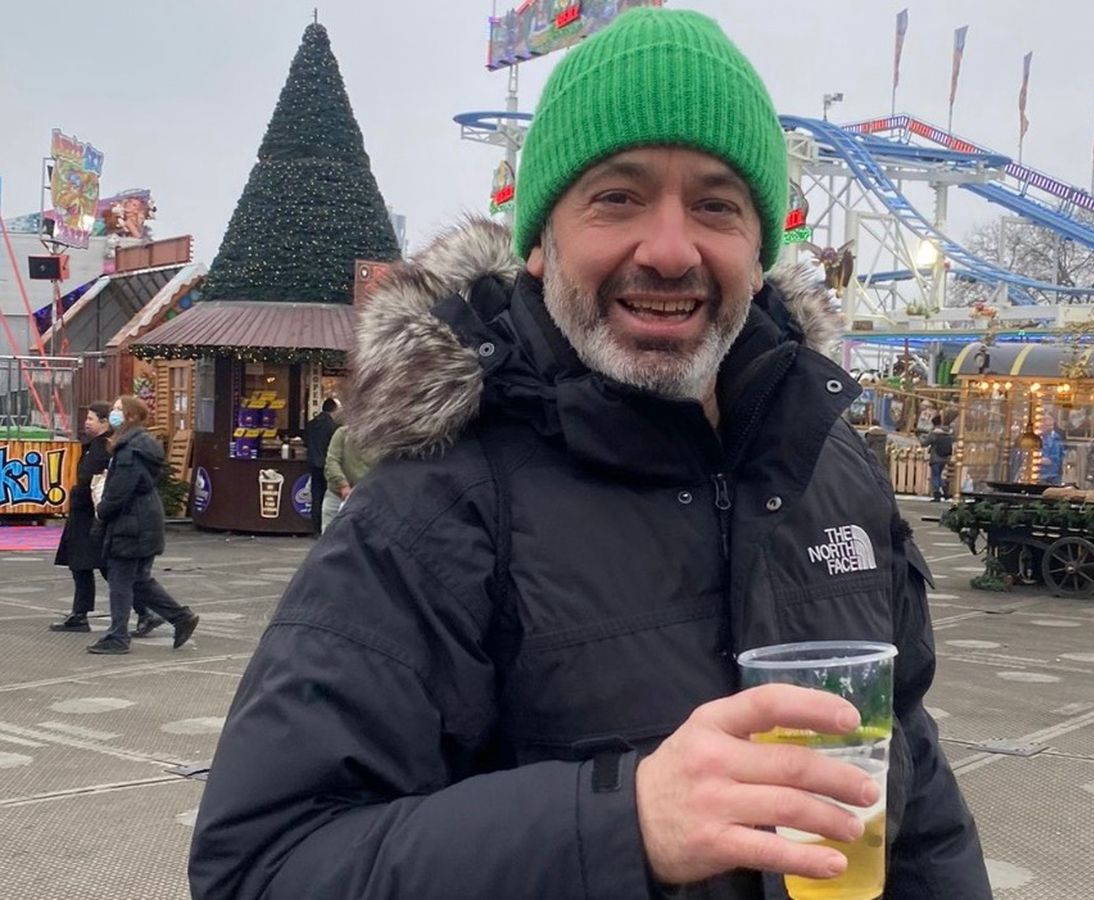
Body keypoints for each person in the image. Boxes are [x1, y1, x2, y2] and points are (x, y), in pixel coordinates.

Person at [190, 9, 989, 899]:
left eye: (717, 205)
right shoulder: (435, 510)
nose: (671, 250)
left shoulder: (832, 467)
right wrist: (623, 824)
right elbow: (264, 865)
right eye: (617, 197)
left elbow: (913, 769)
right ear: (540, 242)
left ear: (761, 250)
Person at [86, 395, 200, 655]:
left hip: (132, 523)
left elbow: (120, 490)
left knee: (120, 581)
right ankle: (181, 617)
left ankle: (118, 637)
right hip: (143, 518)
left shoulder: (130, 449)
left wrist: (102, 511)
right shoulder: (138, 444)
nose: (113, 414)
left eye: (118, 410)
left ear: (131, 416)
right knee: (137, 579)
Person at [50, 403, 160, 635]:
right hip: (85, 515)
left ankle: (146, 615)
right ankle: (81, 614)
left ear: (104, 422)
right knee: (83, 566)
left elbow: (109, 485)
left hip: (95, 516)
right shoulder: (98, 445)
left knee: (111, 572)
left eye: (91, 418)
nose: (86, 422)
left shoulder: (110, 447)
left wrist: (102, 511)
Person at [320, 423, 373, 531]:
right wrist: (343, 485)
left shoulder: (379, 438)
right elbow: (332, 461)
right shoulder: (342, 433)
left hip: (367, 497)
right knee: (329, 534)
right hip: (337, 495)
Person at [302, 397, 339, 533]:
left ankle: (315, 527)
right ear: (334, 410)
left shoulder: (311, 424)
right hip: (327, 464)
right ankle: (326, 526)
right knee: (328, 496)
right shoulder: (333, 427)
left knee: (316, 495)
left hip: (313, 463)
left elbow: (305, 442)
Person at [920, 414, 954, 501]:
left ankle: (937, 494)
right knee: (938, 475)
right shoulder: (947, 432)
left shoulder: (934, 433)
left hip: (936, 457)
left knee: (935, 476)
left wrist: (921, 437)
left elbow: (925, 443)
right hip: (945, 457)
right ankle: (945, 491)